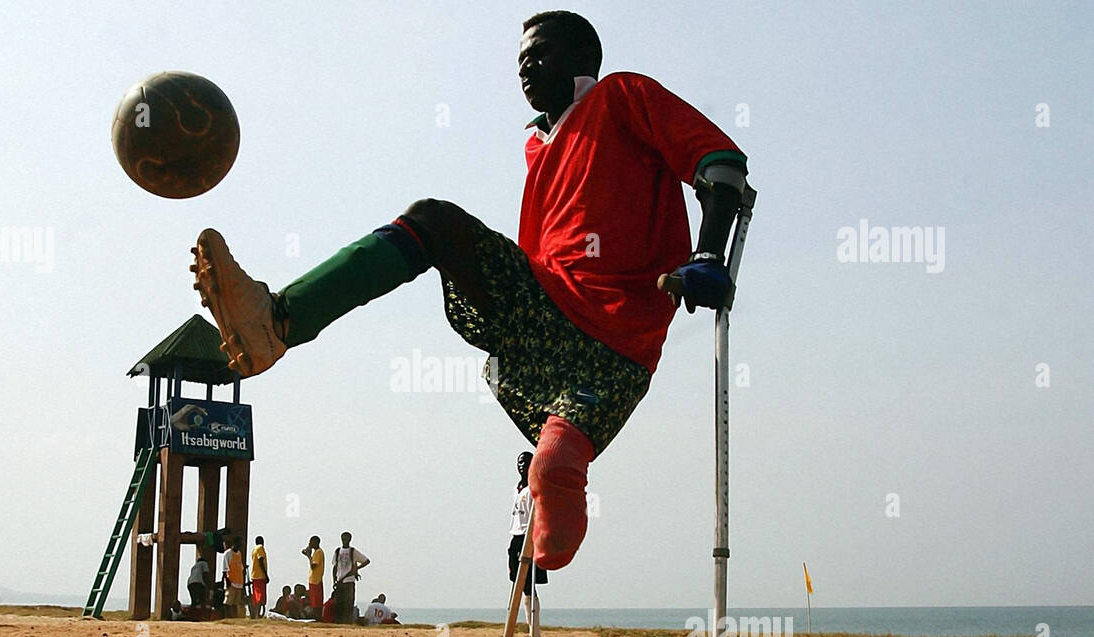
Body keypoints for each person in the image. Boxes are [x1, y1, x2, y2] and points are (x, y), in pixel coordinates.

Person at [187, 10, 748, 578]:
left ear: (582, 60)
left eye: (541, 54)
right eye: (520, 60)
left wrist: (707, 254)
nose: (526, 67)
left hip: (617, 343)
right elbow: (533, 251)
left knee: (552, 465)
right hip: (544, 314)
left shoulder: (624, 96)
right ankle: (277, 320)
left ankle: (555, 479)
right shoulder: (537, 145)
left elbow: (720, 165)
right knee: (433, 223)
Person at [508, 450, 545, 637]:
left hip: (528, 536)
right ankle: (529, 630)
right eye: (519, 462)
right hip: (515, 534)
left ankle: (536, 634)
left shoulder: (534, 487)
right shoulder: (517, 488)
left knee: (529, 584)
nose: (521, 465)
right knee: (519, 585)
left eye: (526, 462)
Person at [331, 532, 370, 625]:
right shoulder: (337, 551)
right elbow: (334, 566)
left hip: (349, 581)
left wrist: (356, 569)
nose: (344, 540)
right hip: (340, 581)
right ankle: (339, 622)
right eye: (343, 538)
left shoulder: (353, 551)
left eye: (346, 538)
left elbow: (366, 561)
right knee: (339, 604)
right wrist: (334, 580)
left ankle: (347, 622)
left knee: (348, 604)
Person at [223, 536, 246, 618]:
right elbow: (225, 569)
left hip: (239, 582)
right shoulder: (228, 554)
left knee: (236, 603)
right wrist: (227, 581)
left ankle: (234, 617)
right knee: (228, 601)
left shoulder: (239, 553)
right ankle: (226, 617)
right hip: (231, 582)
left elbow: (241, 568)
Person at [301, 536, 324, 614]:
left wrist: (308, 556)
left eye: (311, 542)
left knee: (316, 602)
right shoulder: (316, 552)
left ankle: (317, 616)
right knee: (314, 601)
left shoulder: (318, 552)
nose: (309, 543)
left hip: (316, 580)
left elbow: (313, 566)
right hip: (313, 579)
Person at [249, 535, 269, 619]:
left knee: (256, 595)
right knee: (259, 596)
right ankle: (257, 614)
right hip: (260, 576)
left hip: (255, 575)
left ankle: (257, 614)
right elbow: (260, 560)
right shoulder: (260, 548)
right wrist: (265, 574)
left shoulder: (254, 550)